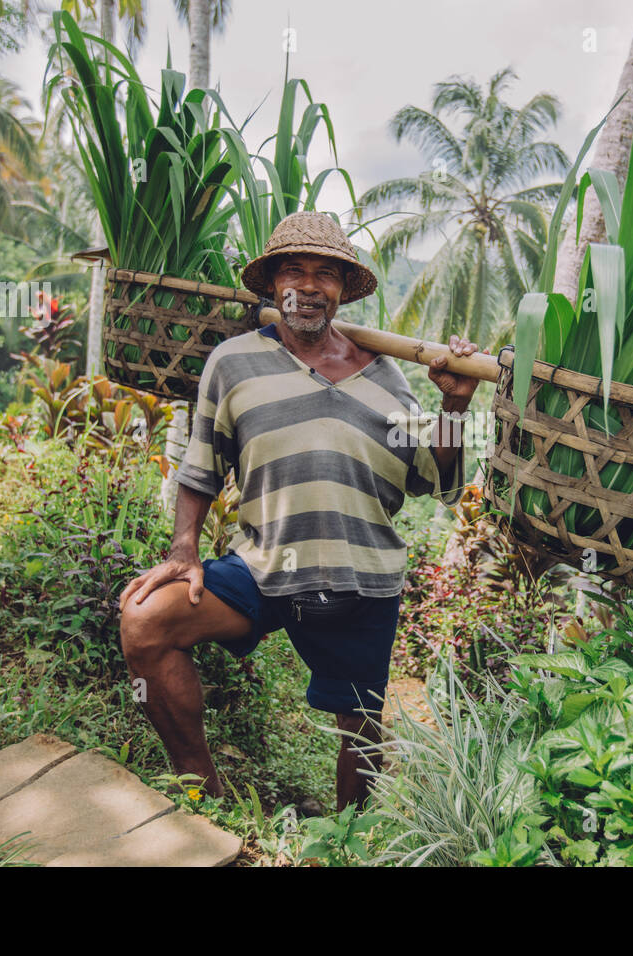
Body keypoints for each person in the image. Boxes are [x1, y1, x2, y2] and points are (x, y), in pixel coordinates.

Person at [118, 211, 482, 811]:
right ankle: (202, 794)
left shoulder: (388, 376)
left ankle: (348, 836)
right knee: (145, 621)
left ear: (342, 289)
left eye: (324, 274)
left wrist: (454, 405)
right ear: (272, 285)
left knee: (360, 728)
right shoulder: (233, 362)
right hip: (262, 566)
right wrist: (184, 549)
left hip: (360, 575)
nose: (308, 286)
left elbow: (431, 477)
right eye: (294, 270)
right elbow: (201, 466)